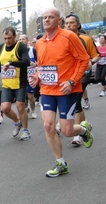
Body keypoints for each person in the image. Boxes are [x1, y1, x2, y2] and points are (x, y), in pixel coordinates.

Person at [29, 8, 93, 177]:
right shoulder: (40, 43)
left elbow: (84, 59)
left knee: (67, 131)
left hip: (67, 90)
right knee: (48, 125)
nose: (47, 20)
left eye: (51, 17)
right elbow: (43, 66)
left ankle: (83, 131)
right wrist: (36, 77)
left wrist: (72, 81)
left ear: (59, 21)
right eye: (44, 18)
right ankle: (61, 163)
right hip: (48, 90)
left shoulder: (69, 36)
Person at [65, 13, 100, 146]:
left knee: (77, 101)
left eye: (71, 23)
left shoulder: (86, 39)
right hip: (68, 75)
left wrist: (91, 61)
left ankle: (79, 133)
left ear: (78, 25)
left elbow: (96, 55)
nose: (68, 25)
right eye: (67, 23)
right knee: (74, 102)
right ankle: (83, 127)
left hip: (83, 73)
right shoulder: (62, 39)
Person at [0, 26, 31, 141]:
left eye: (10, 38)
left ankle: (26, 130)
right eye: (5, 38)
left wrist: (12, 63)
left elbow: (27, 62)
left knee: (20, 106)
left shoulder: (21, 47)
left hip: (19, 82)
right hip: (7, 83)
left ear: (15, 37)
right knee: (5, 108)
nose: (7, 41)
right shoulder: (1, 48)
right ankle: (17, 122)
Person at [19, 34, 38, 119]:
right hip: (22, 76)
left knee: (30, 95)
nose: (21, 41)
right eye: (20, 39)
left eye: (23, 39)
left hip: (31, 76)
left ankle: (33, 111)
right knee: (23, 95)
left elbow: (40, 61)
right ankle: (27, 108)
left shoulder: (32, 50)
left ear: (27, 40)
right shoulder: (18, 51)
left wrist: (35, 64)